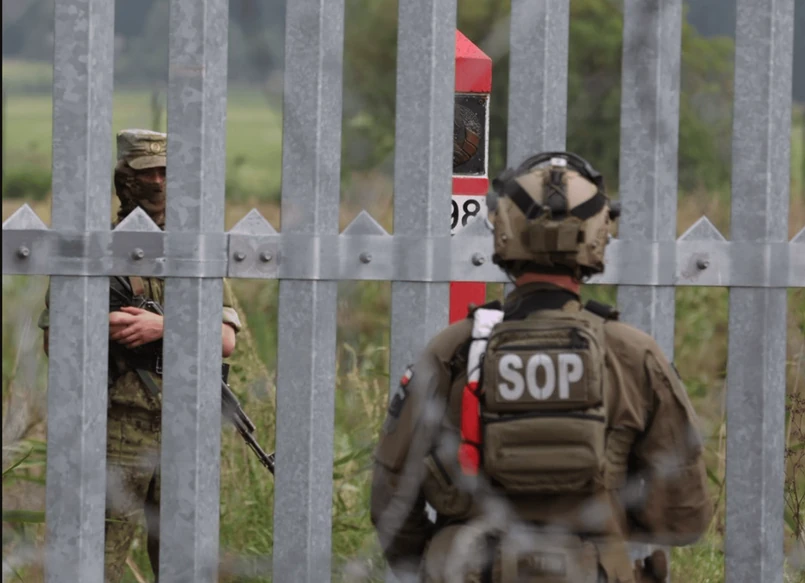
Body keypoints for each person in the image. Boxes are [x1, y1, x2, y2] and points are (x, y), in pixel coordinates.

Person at [370, 151, 712, 582]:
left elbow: (390, 493)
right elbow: (685, 514)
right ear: (598, 235)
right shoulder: (632, 354)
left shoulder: (452, 349)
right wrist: (611, 526)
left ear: (504, 231)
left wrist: (431, 559)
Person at [38, 129, 243, 582]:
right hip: (114, 429)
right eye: (146, 172)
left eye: (166, 172)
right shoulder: (95, 250)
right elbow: (56, 343)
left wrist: (163, 327)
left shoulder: (196, 250)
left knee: (184, 564)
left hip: (187, 429)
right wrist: (102, 325)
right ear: (125, 179)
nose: (157, 182)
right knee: (96, 562)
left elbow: (225, 339)